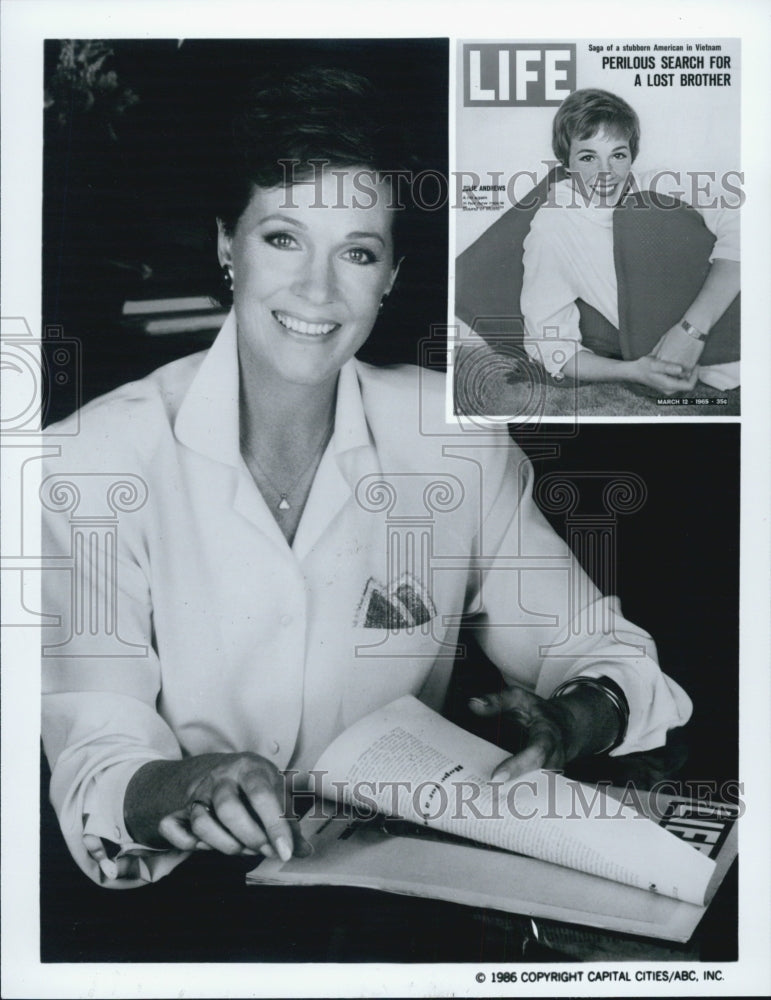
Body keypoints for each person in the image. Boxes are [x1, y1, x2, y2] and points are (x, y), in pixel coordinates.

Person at [41, 68, 692, 888]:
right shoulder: (90, 459)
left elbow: (607, 655)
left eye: (356, 252)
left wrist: (570, 720)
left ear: (388, 276)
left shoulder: (453, 445)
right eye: (281, 239)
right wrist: (186, 783)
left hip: (401, 895)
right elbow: (98, 750)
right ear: (224, 248)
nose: (317, 290)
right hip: (183, 911)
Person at [520, 88, 740, 393]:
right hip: (706, 368)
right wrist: (635, 371)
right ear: (565, 162)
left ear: (631, 154)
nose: (605, 173)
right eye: (588, 157)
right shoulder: (554, 226)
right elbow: (551, 344)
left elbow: (749, 229)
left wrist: (691, 331)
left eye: (618, 155)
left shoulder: (662, 185)